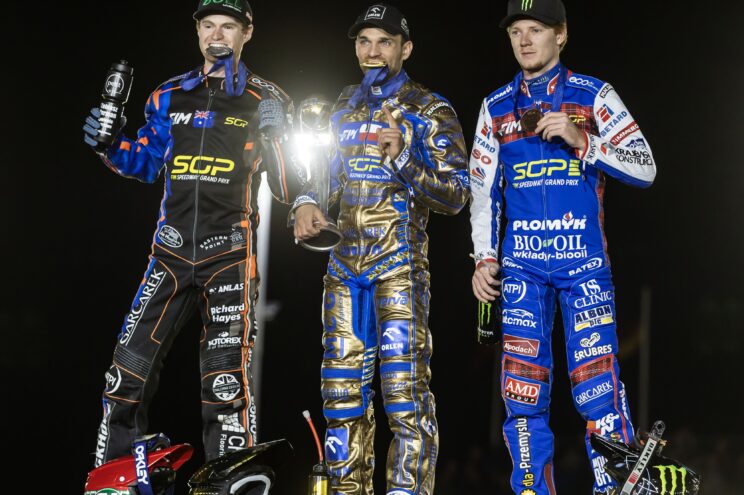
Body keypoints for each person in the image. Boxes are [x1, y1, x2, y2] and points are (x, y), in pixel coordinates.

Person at [82, 0, 302, 468]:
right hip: (170, 253)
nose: (216, 36)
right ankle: (114, 472)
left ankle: (229, 475)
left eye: (228, 26)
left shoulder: (267, 98)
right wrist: (108, 144)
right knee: (127, 368)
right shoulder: (167, 95)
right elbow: (144, 163)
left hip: (230, 255)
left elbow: (287, 188)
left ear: (247, 33)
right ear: (197, 31)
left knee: (224, 377)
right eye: (208, 26)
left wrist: (276, 139)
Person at [468, 0, 656, 494]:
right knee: (522, 392)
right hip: (521, 272)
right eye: (516, 31)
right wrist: (484, 259)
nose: (524, 40)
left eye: (536, 29)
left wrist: (584, 140)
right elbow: (482, 191)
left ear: (562, 34)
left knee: (597, 388)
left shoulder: (594, 95)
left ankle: (614, 486)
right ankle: (531, 488)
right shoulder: (495, 106)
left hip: (584, 266)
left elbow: (645, 166)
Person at [292, 4, 469, 494]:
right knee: (341, 398)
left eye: (384, 42)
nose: (373, 51)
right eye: (364, 42)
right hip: (344, 269)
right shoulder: (341, 107)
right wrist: (305, 203)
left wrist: (405, 157)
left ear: (405, 49)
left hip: (399, 269)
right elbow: (321, 179)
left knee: (405, 399)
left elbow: (457, 195)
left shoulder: (430, 109)